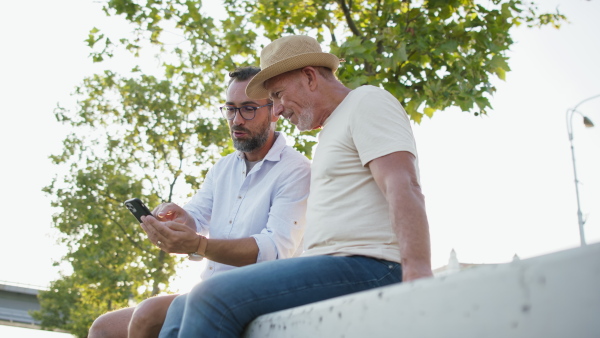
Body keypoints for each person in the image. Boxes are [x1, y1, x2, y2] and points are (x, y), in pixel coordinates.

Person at [158, 35, 433, 338]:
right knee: (180, 309)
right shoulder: (331, 130)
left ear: (310, 77)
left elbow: (403, 184)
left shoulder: (367, 101)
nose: (276, 111)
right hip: (331, 267)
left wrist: (417, 273)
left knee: (211, 296)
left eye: (277, 95)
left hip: (373, 266)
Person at [88, 66, 311, 338]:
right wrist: (180, 219)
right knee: (103, 329)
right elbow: (197, 216)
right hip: (206, 290)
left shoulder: (297, 170)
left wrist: (198, 245)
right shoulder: (223, 168)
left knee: (148, 313)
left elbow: (274, 250)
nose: (236, 120)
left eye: (248, 109)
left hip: (254, 297)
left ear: (275, 110)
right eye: (230, 109)